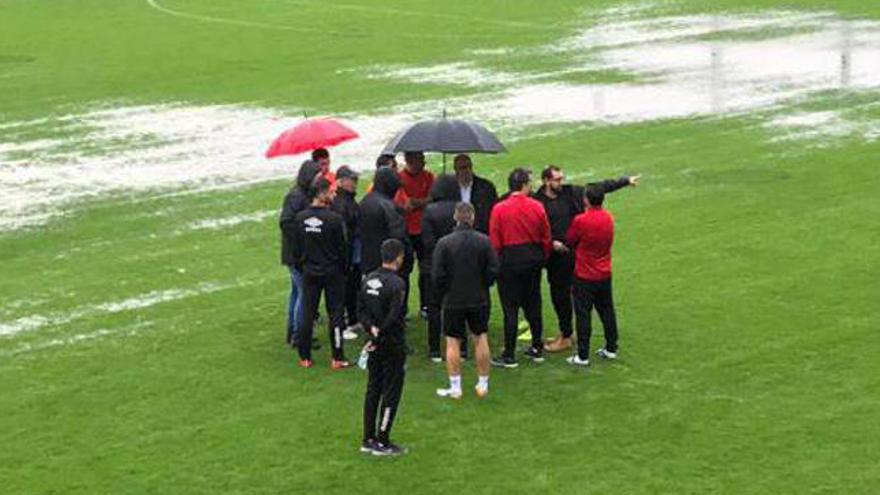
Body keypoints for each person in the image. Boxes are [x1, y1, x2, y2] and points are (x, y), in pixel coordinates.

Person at [534, 166, 640, 353]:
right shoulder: (537, 201)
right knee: (559, 297)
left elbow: (599, 188)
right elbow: (534, 228)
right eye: (557, 179)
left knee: (575, 298)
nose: (561, 182)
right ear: (546, 181)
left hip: (574, 255)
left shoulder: (570, 192)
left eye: (561, 178)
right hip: (555, 259)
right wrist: (551, 244)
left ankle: (568, 338)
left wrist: (624, 181)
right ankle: (566, 333)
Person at [433, 203, 499, 399]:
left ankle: (455, 387)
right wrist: (484, 284)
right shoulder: (484, 241)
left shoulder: (444, 243)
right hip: (479, 297)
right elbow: (494, 269)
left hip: (453, 299)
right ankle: (483, 384)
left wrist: (445, 291)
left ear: (455, 217)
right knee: (480, 338)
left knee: (452, 341)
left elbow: (437, 275)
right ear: (472, 218)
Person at [489, 168, 551, 368]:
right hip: (532, 260)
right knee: (534, 304)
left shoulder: (499, 209)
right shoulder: (537, 206)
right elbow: (546, 237)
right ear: (524, 185)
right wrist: (543, 258)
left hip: (509, 262)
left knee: (510, 309)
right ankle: (537, 348)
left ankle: (509, 353)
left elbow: (495, 242)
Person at [291, 176, 350, 369]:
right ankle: (337, 357)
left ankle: (304, 356)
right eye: (331, 192)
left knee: (307, 313)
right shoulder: (334, 219)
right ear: (322, 194)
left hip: (309, 272)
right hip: (332, 272)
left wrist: (304, 264)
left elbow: (296, 249)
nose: (334, 195)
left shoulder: (300, 219)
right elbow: (343, 249)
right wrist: (344, 269)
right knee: (335, 314)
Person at [360, 239, 408, 456]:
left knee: (373, 389)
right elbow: (395, 314)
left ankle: (368, 437)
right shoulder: (397, 284)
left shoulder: (368, 279)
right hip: (392, 343)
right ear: (398, 257)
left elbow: (361, 310)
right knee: (391, 392)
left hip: (374, 342)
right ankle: (383, 439)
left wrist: (371, 330)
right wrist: (382, 332)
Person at [564, 185, 621, 367]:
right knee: (607, 311)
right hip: (604, 273)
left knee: (583, 315)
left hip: (585, 274)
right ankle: (611, 348)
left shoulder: (581, 220)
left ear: (587, 200)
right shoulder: (608, 218)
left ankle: (582, 355)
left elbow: (570, 241)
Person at [279, 160, 322, 348]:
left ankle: (293, 332)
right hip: (297, 254)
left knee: (297, 293)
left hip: (293, 254)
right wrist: (303, 235)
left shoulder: (299, 195)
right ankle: (299, 335)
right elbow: (286, 222)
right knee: (304, 294)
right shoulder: (297, 197)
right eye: (317, 176)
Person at [421, 175, 463, 361]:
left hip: (434, 266)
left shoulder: (430, 211)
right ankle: (461, 349)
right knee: (458, 307)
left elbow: (427, 241)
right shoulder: (461, 209)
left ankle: (434, 350)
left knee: (434, 308)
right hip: (458, 266)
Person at [398, 151, 434, 318]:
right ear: (409, 161)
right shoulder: (399, 178)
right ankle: (402, 307)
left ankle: (426, 305)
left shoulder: (429, 176)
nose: (423, 163)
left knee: (426, 269)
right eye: (420, 160)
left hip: (424, 230)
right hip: (405, 231)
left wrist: (417, 202)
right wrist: (422, 202)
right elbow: (405, 205)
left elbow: (432, 199)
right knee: (403, 271)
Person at [331, 166, 362, 340]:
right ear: (341, 182)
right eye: (352, 179)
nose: (355, 183)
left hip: (354, 252)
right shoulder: (340, 204)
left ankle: (352, 319)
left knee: (353, 286)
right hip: (346, 253)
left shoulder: (349, 201)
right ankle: (341, 326)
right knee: (343, 290)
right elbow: (343, 234)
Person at [359, 167, 408, 275]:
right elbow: (399, 236)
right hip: (388, 265)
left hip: (367, 263)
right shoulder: (389, 206)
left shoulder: (364, 201)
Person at [453, 154, 498, 234]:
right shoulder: (449, 188)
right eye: (462, 168)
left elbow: (494, 210)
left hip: (480, 231)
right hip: (456, 232)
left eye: (469, 166)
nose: (467, 170)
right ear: (456, 170)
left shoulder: (486, 187)